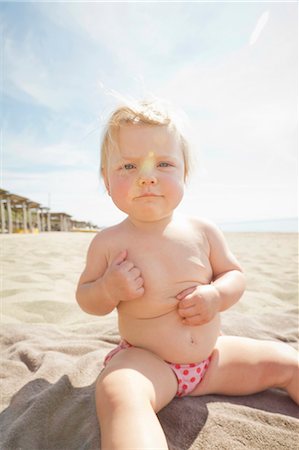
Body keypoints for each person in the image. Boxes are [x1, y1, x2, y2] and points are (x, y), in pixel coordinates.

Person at [76, 99, 299, 449]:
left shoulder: (203, 230)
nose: (147, 176)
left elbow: (234, 276)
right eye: (129, 166)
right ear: (106, 180)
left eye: (163, 163)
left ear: (184, 173)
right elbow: (86, 298)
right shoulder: (109, 241)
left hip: (212, 361)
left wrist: (216, 296)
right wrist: (107, 287)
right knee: (119, 393)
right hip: (148, 362)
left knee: (290, 362)